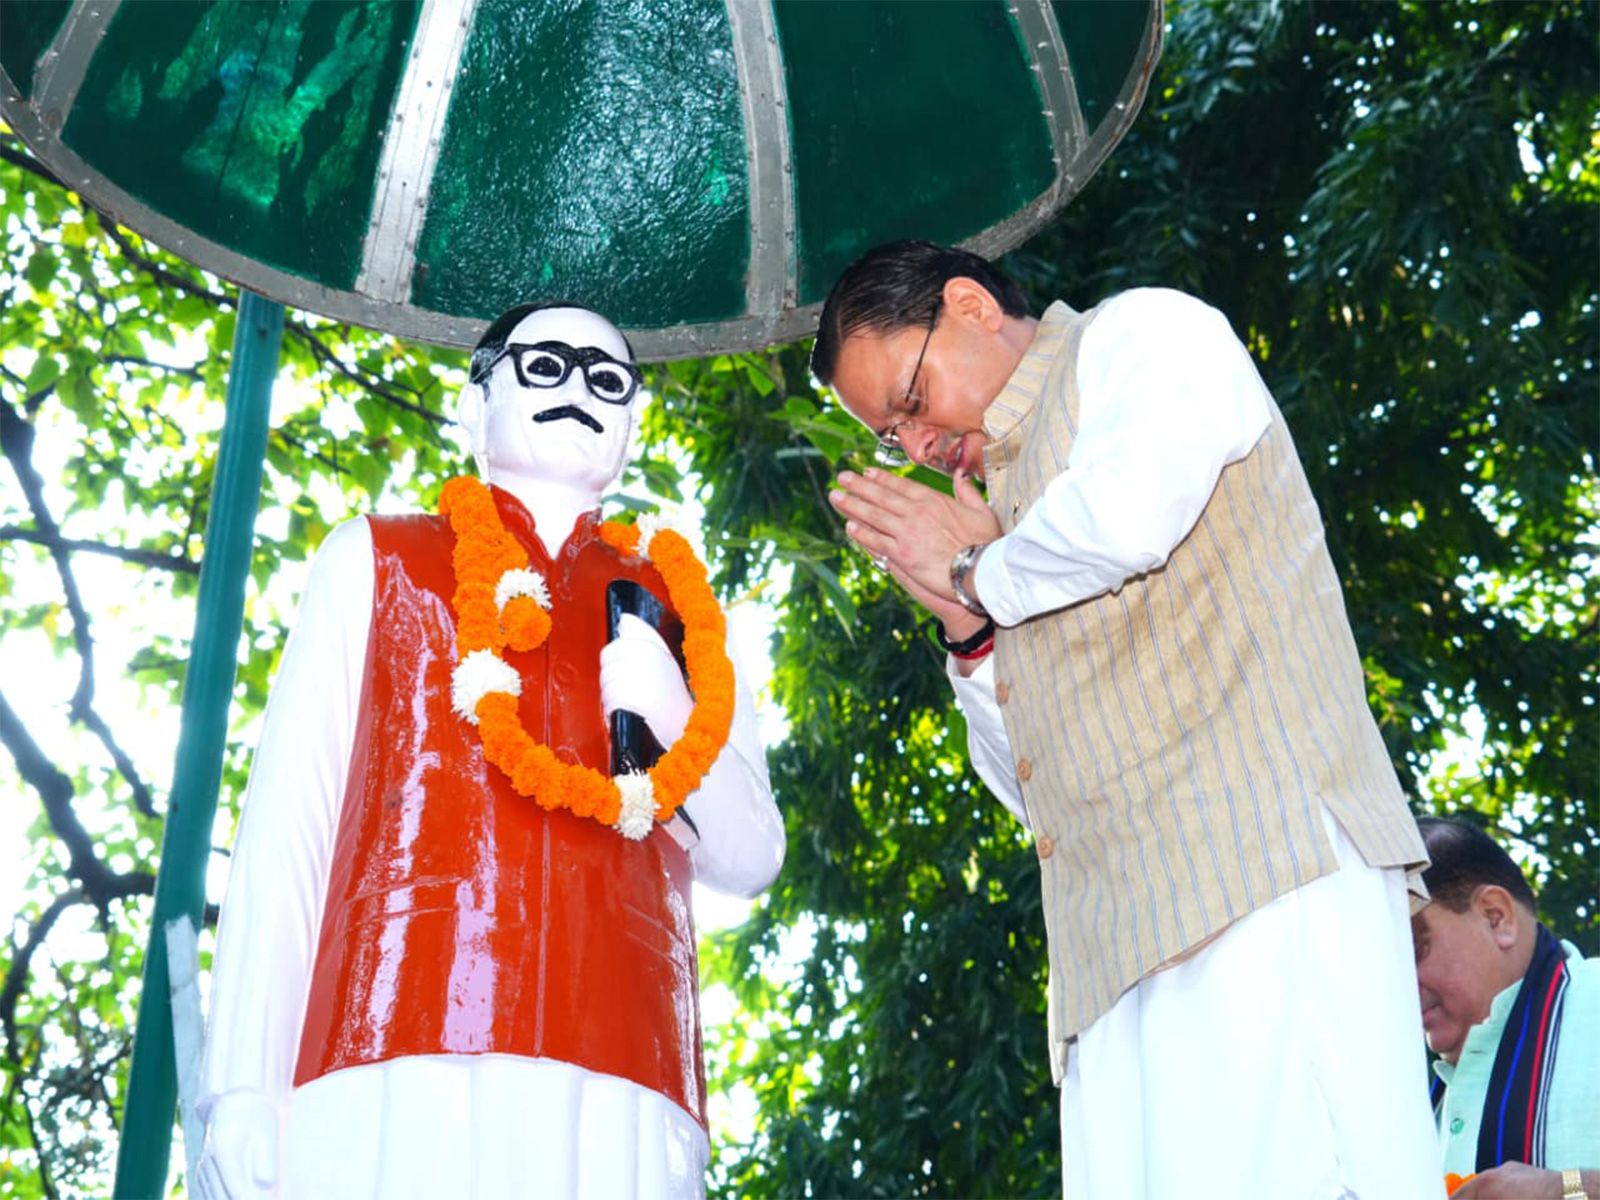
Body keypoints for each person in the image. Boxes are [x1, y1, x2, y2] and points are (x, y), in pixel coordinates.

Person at [816, 240, 1441, 1198]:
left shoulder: (1143, 336)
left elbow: (1130, 514)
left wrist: (975, 571)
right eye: (890, 439)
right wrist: (973, 632)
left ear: (973, 306)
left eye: (910, 401)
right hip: (1112, 964)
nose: (918, 446)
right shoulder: (1008, 527)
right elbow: (1034, 787)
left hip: (1263, 884)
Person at [195, 302, 785, 1199]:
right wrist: (238, 1088)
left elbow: (753, 857)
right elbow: (287, 836)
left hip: (629, 1066)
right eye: (545, 365)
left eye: (607, 378)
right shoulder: (376, 559)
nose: (578, 391)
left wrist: (668, 715)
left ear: (631, 422)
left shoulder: (682, 611)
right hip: (392, 1040)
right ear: (474, 404)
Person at [1414, 817, 1598, 1200]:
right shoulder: (1406, 1101)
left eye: (1414, 951)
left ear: (1496, 916)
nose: (1396, 986)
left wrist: (1566, 1190)